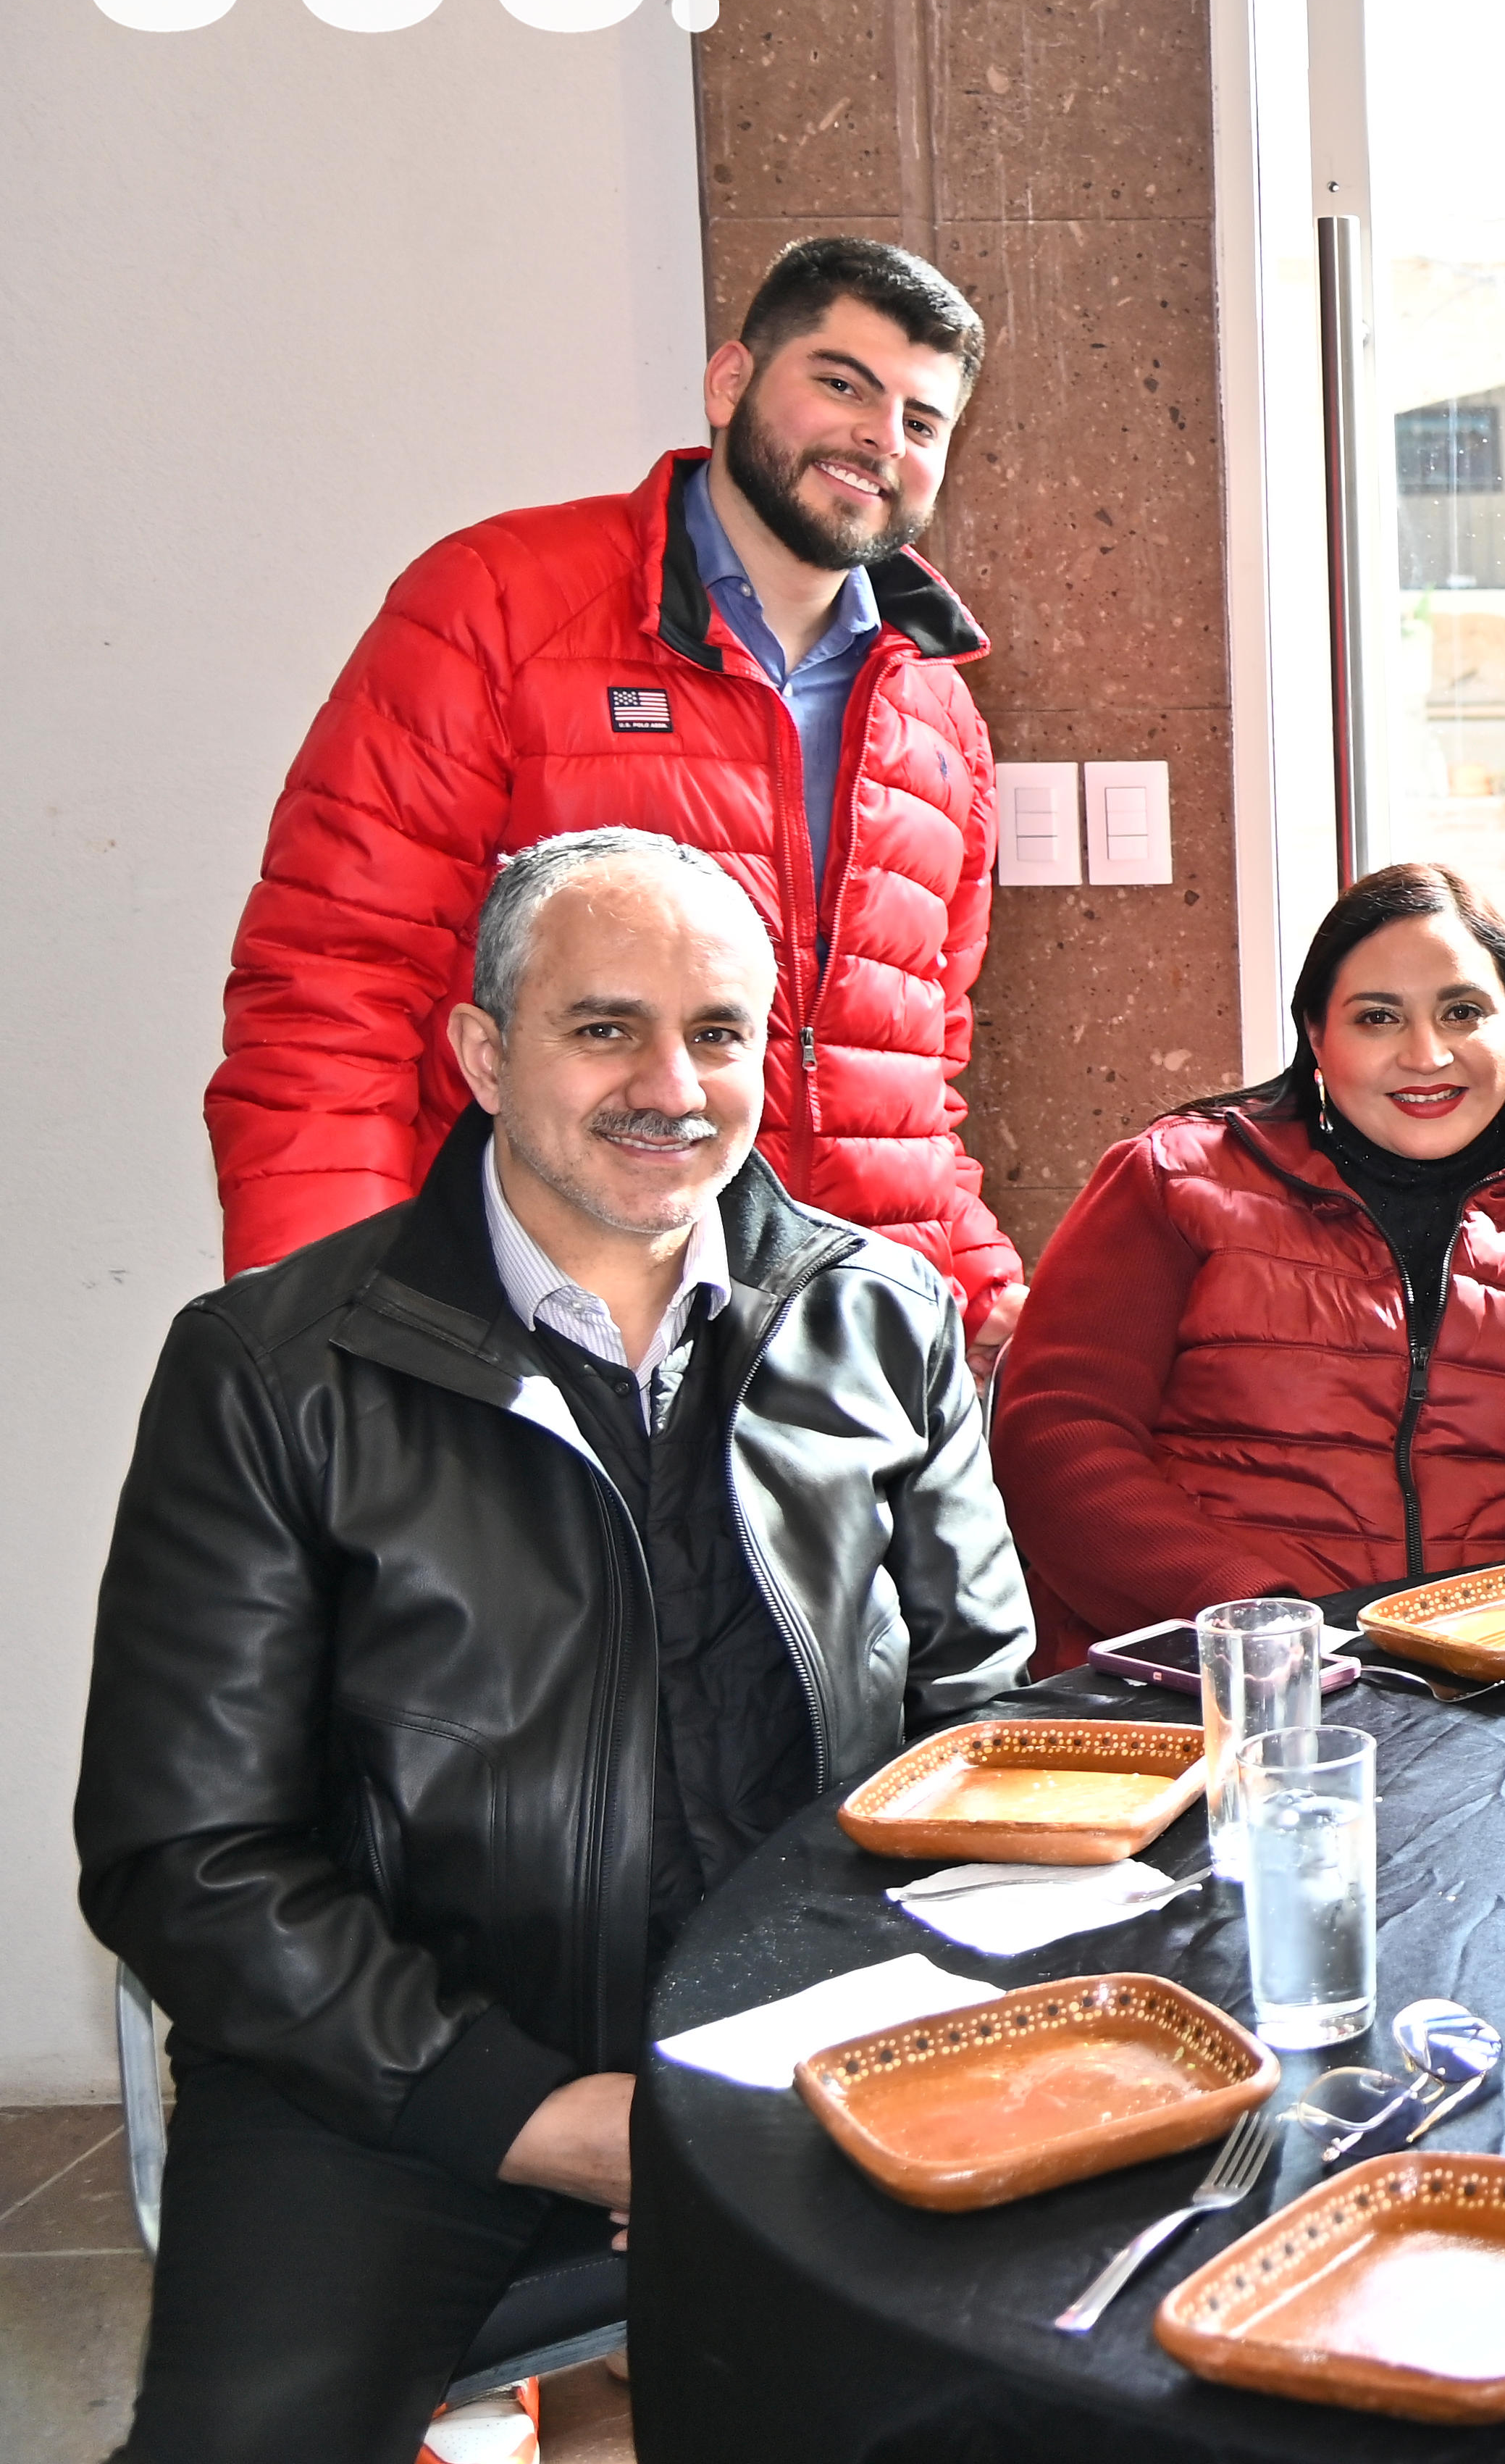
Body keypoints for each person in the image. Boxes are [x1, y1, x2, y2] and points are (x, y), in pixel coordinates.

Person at [80, 830, 1028, 2463]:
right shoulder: (271, 1371)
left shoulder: (882, 1318)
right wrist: (544, 2116)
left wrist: (879, 2040)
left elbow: (985, 1732)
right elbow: (189, 1853)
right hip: (393, 2076)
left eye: (720, 1032)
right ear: (480, 1051)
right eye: (607, 1026)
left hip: (813, 2046)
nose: (673, 1083)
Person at [209, 236, 1029, 1358]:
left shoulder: (939, 714)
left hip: (825, 1347)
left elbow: (915, 1070)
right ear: (730, 384)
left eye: (923, 422)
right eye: (841, 383)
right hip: (526, 1312)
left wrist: (972, 1290)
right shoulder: (497, 605)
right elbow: (332, 986)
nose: (881, 438)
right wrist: (325, 1317)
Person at [994, 864, 1505, 1669]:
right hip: (1218, 1688)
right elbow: (1055, 1439)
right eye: (1378, 1017)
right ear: (1314, 1034)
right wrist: (1258, 1619)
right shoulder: (1175, 1179)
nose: (1426, 1053)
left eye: (1463, 1011)